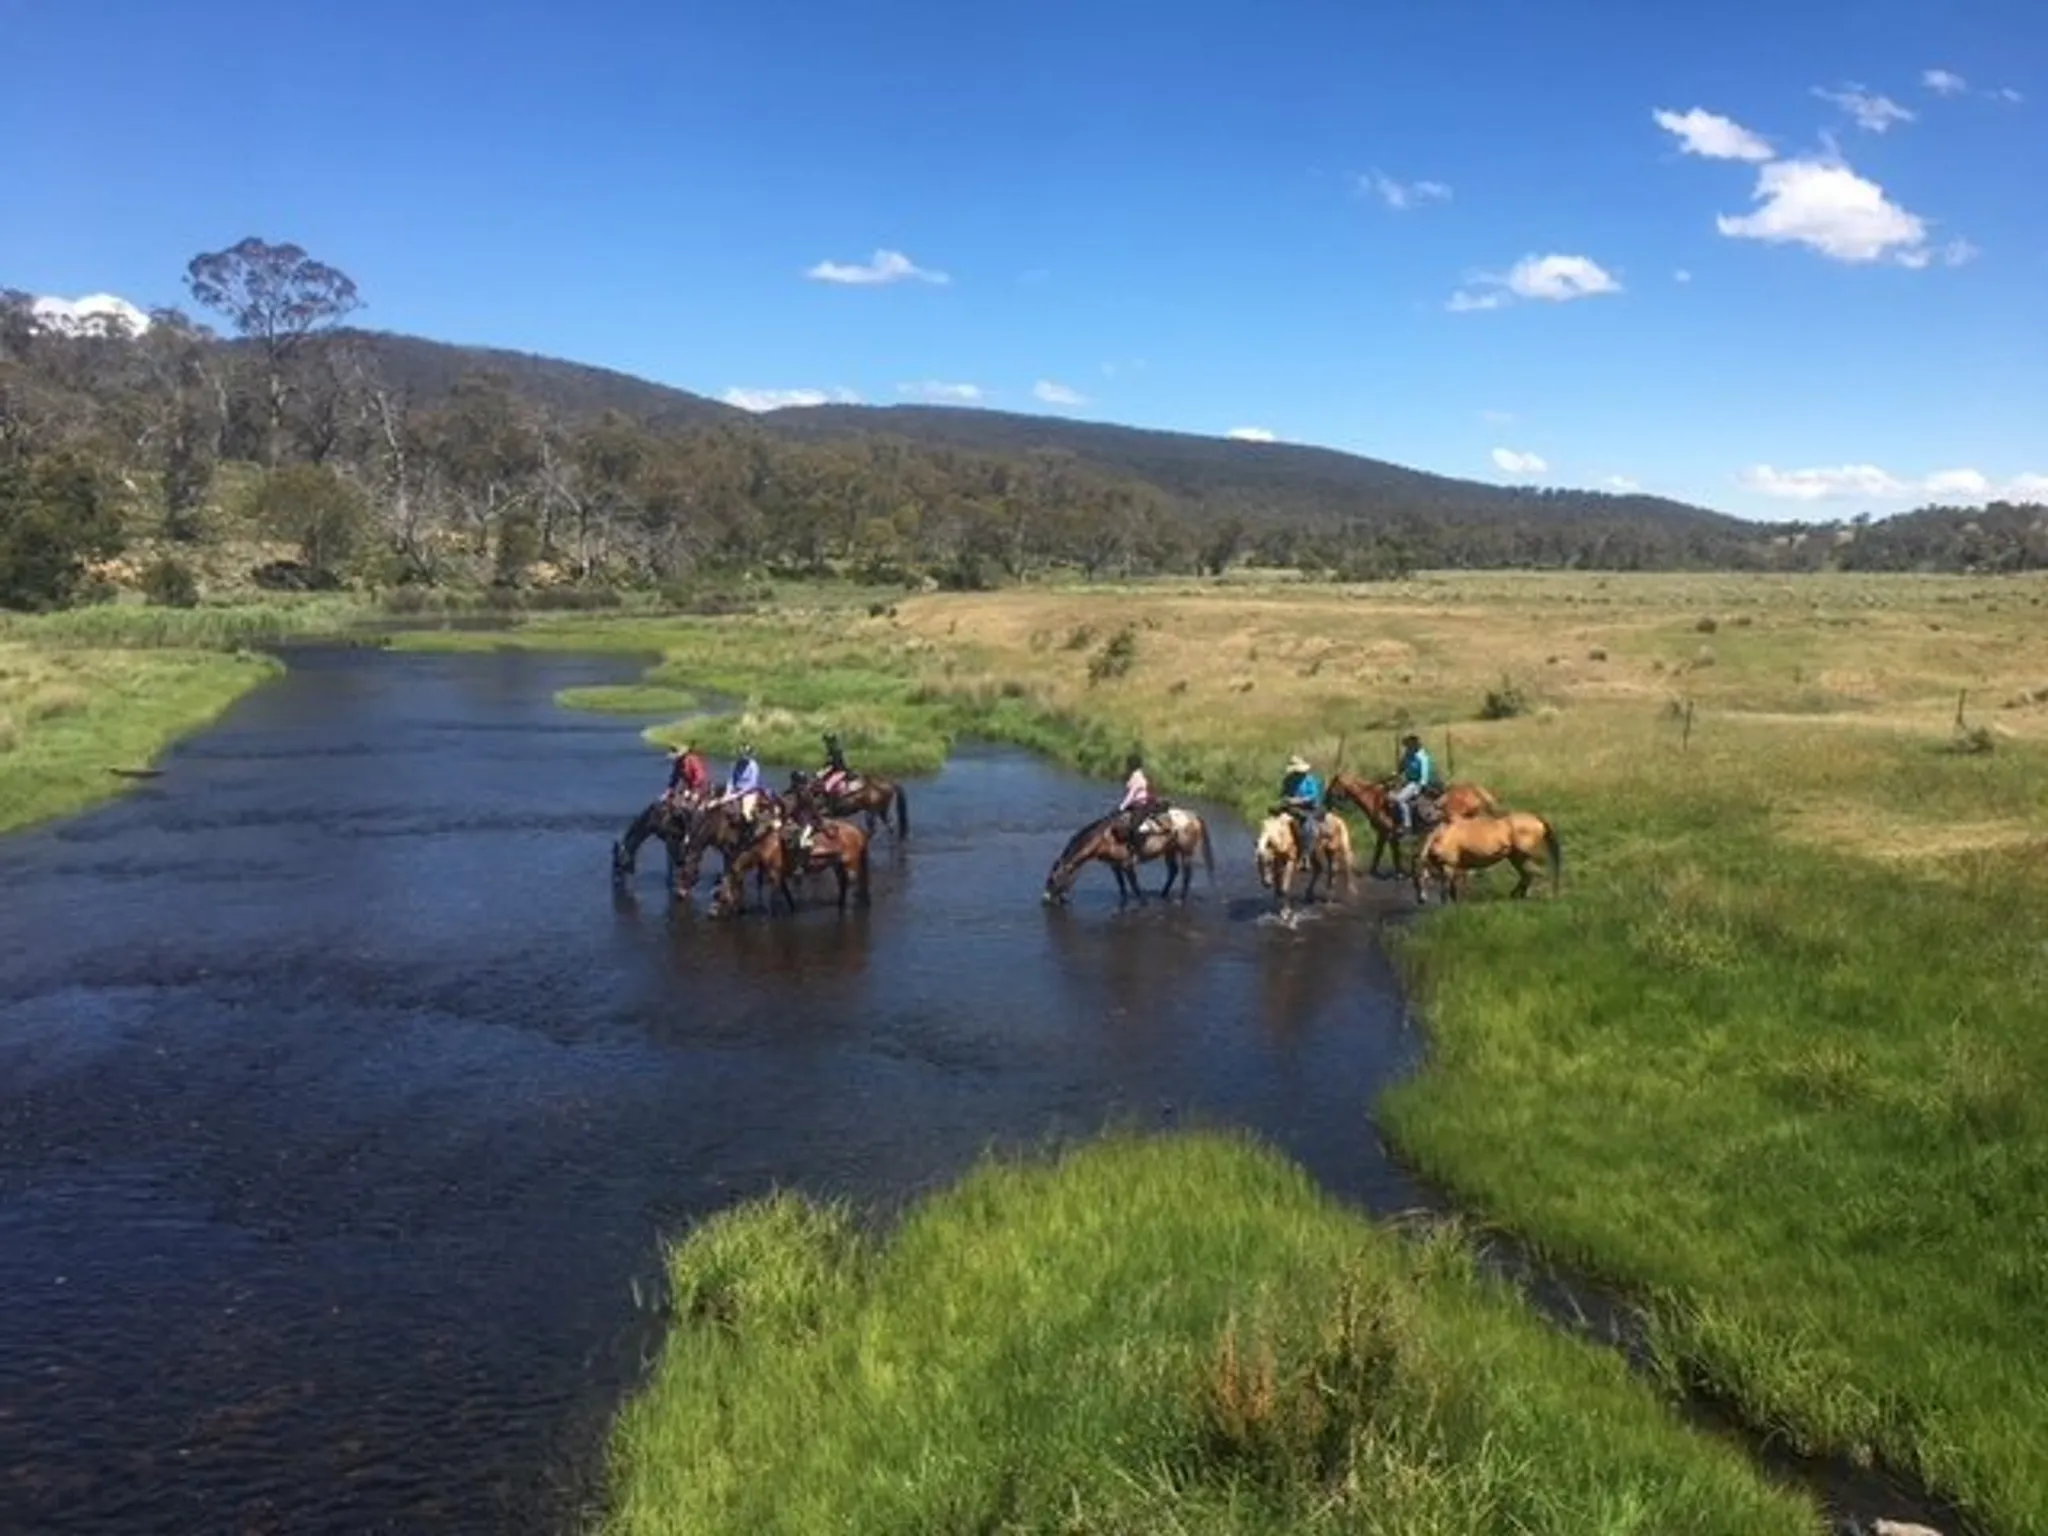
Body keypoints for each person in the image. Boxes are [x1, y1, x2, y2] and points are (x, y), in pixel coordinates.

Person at [1279, 754, 1325, 860]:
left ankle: (1306, 853)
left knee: (1309, 826)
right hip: (1291, 807)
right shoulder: (1288, 780)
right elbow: (1283, 793)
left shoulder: (1310, 780)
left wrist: (1299, 800)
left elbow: (1313, 795)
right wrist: (1287, 799)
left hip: (1309, 807)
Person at [1391, 733, 1437, 833]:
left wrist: (1421, 786)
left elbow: (1424, 775)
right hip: (1407, 782)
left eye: (1409, 745)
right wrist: (1395, 774)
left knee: (1400, 799)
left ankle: (1407, 825)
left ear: (1414, 745)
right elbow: (1401, 767)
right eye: (1407, 745)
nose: (1407, 747)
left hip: (1416, 783)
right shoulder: (1408, 755)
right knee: (1390, 795)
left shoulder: (1422, 757)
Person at [1116, 751, 1162, 845]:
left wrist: (1121, 807)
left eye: (1128, 764)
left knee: (1134, 826)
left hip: (1141, 806)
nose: (1126, 766)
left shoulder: (1137, 777)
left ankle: (1137, 848)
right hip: (1134, 805)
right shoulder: (1134, 775)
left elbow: (1131, 795)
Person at [666, 743, 711, 807]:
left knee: (693, 805)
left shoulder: (693, 760)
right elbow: (675, 777)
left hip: (701, 786)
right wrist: (669, 789)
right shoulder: (678, 763)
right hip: (689, 786)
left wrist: (695, 791)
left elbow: (701, 777)